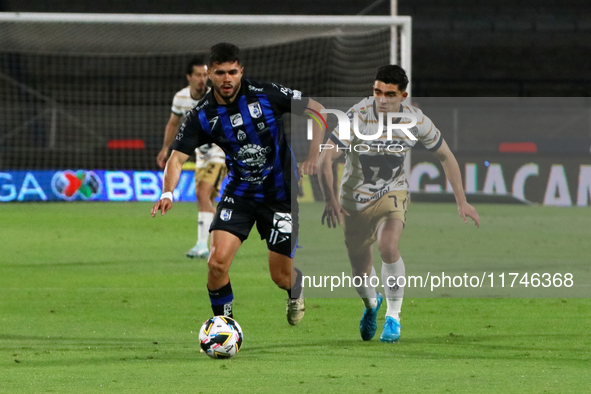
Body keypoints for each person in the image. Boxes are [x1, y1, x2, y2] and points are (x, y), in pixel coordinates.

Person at [151, 43, 324, 325]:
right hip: (239, 195)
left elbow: (318, 111)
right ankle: (224, 327)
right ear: (210, 75)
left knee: (280, 276)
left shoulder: (266, 95)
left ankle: (295, 289)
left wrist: (314, 155)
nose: (227, 79)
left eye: (233, 72)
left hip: (280, 196)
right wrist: (167, 191)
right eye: (220, 73)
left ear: (241, 70)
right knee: (216, 264)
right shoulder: (202, 115)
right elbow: (176, 158)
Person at [318, 65, 480, 342]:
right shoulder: (356, 116)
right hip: (353, 201)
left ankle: (393, 317)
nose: (382, 99)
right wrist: (330, 200)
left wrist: (461, 201)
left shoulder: (416, 120)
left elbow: (446, 156)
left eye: (390, 94)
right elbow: (325, 159)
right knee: (359, 272)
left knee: (388, 245)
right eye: (377, 92)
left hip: (392, 193)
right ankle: (372, 304)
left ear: (403, 96)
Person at [156, 57, 227, 259]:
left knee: (202, 193)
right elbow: (173, 123)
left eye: (205, 75)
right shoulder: (181, 98)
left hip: (220, 153)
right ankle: (214, 243)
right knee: (206, 199)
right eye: (198, 75)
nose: (202, 79)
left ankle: (205, 245)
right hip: (201, 156)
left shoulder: (217, 96)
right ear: (189, 77)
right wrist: (165, 149)